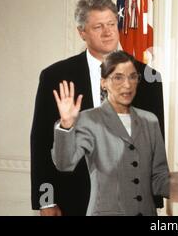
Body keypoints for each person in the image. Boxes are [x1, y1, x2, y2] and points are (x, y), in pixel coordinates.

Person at [30, 0, 164, 216]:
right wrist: (47, 201)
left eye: (111, 24)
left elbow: (155, 147)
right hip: (74, 200)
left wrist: (154, 199)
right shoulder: (55, 76)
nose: (108, 32)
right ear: (82, 32)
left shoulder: (149, 78)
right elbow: (42, 140)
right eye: (98, 26)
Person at [51, 51, 169, 216]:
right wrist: (66, 125)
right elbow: (65, 163)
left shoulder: (150, 121)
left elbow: (159, 178)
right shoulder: (89, 119)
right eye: (118, 77)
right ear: (103, 83)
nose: (127, 85)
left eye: (133, 77)